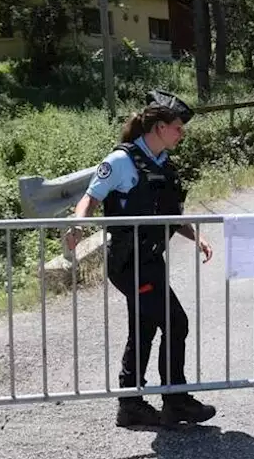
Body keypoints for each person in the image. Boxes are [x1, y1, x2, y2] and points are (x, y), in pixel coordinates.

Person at [65, 90, 218, 429]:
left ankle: (131, 405)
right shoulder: (122, 161)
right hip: (129, 262)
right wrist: (78, 224)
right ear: (160, 127)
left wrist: (197, 236)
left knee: (146, 326)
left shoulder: (163, 163)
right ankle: (173, 400)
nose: (182, 134)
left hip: (151, 260)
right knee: (175, 322)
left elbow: (168, 215)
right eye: (178, 127)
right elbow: (89, 199)